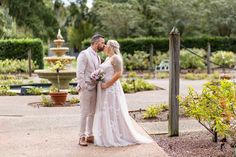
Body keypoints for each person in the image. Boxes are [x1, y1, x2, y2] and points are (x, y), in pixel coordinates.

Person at [93, 40, 153, 147]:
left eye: (106, 44)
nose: (105, 46)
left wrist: (107, 84)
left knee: (113, 109)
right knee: (106, 110)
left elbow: (119, 73)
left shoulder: (116, 58)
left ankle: (117, 135)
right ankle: (107, 134)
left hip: (112, 89)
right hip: (105, 90)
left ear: (111, 47)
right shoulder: (108, 58)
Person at [76, 34, 105, 146]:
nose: (103, 45)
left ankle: (89, 135)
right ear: (96, 42)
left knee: (92, 113)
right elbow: (80, 73)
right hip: (86, 89)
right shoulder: (84, 54)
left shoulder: (97, 56)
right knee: (84, 113)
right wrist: (84, 87)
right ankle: (81, 137)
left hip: (95, 89)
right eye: (102, 43)